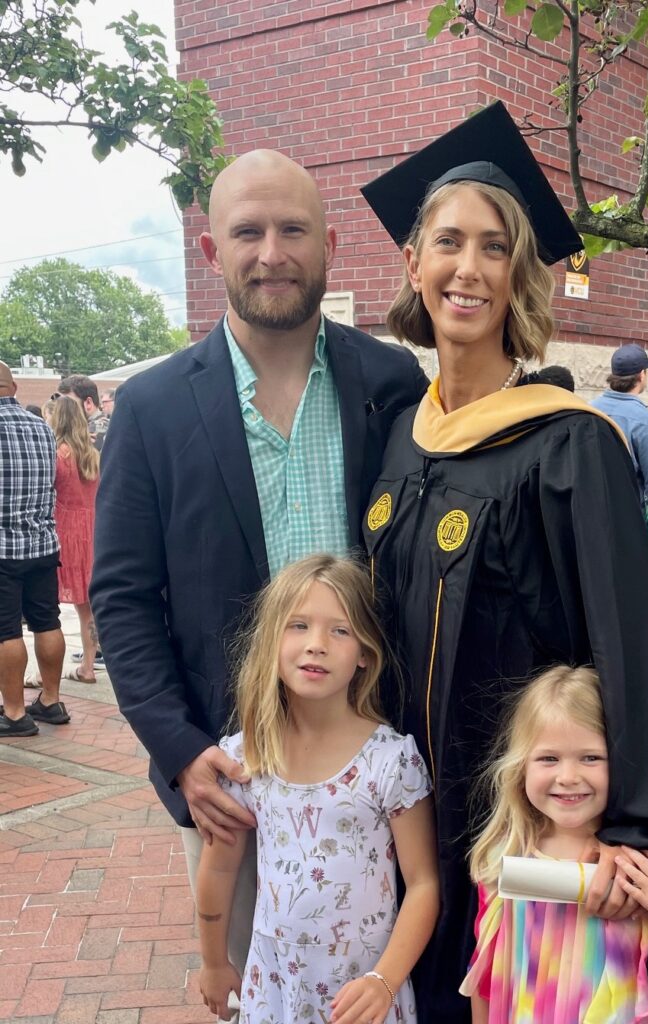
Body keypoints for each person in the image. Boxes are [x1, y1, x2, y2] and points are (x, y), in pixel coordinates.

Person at [359, 101, 648, 1023]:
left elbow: (636, 650)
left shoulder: (570, 448)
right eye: (449, 242)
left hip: (519, 834)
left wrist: (640, 842)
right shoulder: (397, 441)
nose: (470, 268)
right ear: (414, 263)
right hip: (406, 831)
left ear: (520, 274)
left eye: (496, 247)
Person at [91, 149, 428, 984]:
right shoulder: (153, 407)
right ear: (211, 252)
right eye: (248, 231)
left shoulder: (391, 382)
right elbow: (124, 599)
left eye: (293, 230)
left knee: (387, 982)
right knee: (257, 986)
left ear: (331, 246)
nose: (271, 252)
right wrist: (177, 749)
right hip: (236, 778)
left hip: (376, 766)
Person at [196, 555, 439, 1024]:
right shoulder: (247, 757)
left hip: (362, 990)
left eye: (340, 630)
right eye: (298, 625)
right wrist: (212, 960)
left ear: (365, 652)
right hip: (276, 988)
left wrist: (384, 981)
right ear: (270, 642)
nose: (316, 645)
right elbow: (220, 870)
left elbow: (425, 883)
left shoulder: (390, 761)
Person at [460, 665, 648, 1023]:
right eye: (549, 758)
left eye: (591, 757)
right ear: (520, 766)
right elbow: (485, 977)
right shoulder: (504, 857)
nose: (568, 776)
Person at [0, 361, 69, 735]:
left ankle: (13, 713)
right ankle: (51, 699)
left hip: (3, 548)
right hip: (43, 542)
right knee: (47, 621)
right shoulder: (41, 427)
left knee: (6, 631)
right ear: (12, 388)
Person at [591, 344, 648, 564]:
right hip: (625, 524)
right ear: (641, 375)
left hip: (588, 519)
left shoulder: (588, 410)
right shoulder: (645, 421)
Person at [48, 398, 101, 684]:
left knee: (47, 606)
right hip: (92, 532)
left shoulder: (59, 454)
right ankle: (89, 667)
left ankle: (45, 674)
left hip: (63, 531)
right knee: (87, 607)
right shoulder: (93, 454)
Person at [57, 375, 111, 451]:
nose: (63, 408)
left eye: (69, 403)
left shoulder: (97, 428)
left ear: (88, 403)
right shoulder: (83, 429)